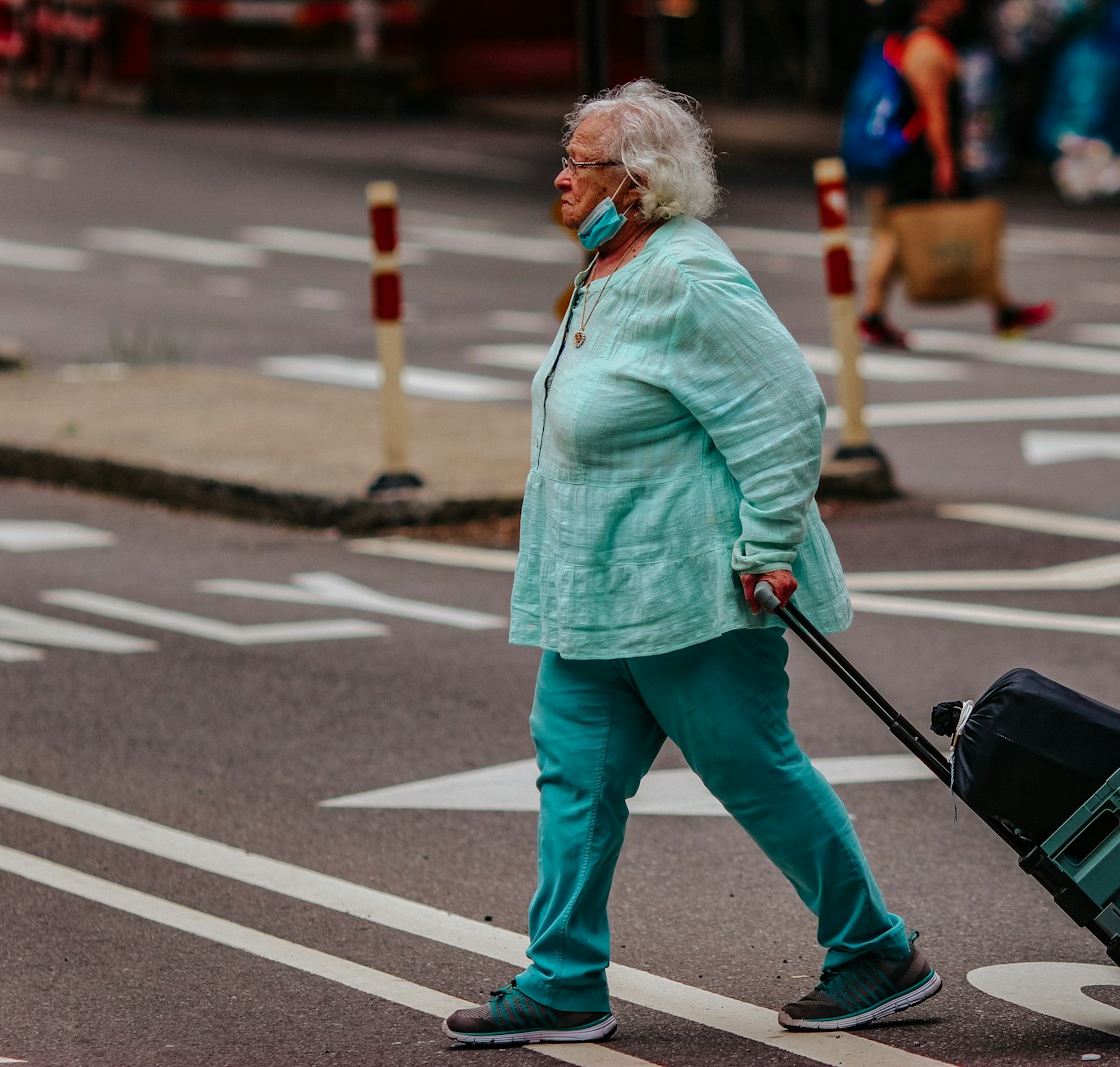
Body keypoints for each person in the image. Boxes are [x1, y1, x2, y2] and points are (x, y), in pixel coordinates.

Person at [441, 78, 941, 1049]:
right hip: (598, 590)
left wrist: (764, 546)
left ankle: (874, 948)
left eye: (578, 164)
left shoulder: (688, 275)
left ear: (633, 184)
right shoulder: (610, 266)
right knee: (574, 775)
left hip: (690, 590)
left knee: (752, 769)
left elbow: (786, 408)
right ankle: (564, 977)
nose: (559, 178)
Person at [859, 0, 1054, 349]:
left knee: (896, 230)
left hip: (916, 155)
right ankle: (1003, 309)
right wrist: (946, 161)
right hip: (924, 157)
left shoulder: (915, 41)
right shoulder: (927, 46)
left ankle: (875, 314)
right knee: (923, 229)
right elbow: (934, 109)